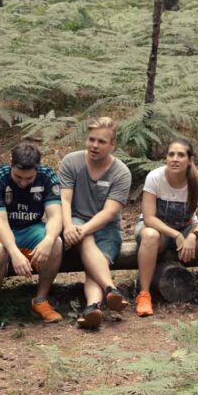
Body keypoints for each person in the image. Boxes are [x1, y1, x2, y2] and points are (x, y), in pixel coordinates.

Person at [0, 142, 63, 333]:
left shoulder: (48, 177)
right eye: (18, 177)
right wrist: (14, 252)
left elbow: (56, 215)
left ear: (37, 168)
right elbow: (0, 222)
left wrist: (48, 240)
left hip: (31, 227)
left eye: (29, 178)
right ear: (11, 163)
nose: (23, 182)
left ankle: (40, 300)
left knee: (56, 243)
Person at [135, 139, 198, 315]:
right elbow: (149, 218)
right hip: (158, 231)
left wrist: (193, 235)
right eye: (171, 154)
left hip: (186, 229)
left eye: (181, 155)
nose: (175, 159)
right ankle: (144, 295)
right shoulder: (155, 177)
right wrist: (176, 235)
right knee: (150, 236)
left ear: (190, 160)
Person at [59, 117, 131, 330]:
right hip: (74, 220)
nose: (94, 145)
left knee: (94, 264)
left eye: (101, 142)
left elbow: (109, 212)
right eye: (91, 139)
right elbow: (64, 199)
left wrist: (82, 230)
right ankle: (110, 288)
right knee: (88, 241)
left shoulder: (121, 172)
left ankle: (92, 307)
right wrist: (69, 227)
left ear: (112, 145)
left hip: (106, 228)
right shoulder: (71, 162)